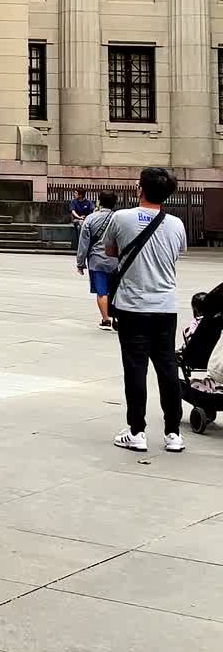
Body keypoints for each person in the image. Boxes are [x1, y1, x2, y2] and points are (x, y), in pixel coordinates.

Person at [106, 166, 187, 454]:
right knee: (167, 368)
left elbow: (110, 252)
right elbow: (177, 253)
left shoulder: (122, 217)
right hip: (165, 306)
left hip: (132, 306)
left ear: (140, 189)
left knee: (135, 368)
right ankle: (173, 432)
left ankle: (137, 431)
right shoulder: (176, 224)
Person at [76, 188, 119, 328]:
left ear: (99, 201)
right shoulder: (119, 218)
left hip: (97, 260)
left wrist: (80, 263)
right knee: (116, 291)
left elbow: (83, 243)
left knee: (102, 292)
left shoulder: (91, 218)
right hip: (116, 261)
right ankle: (117, 319)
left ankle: (106, 319)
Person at [70, 184, 95, 252]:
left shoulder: (88, 203)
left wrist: (86, 218)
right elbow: (73, 211)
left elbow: (92, 211)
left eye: (76, 193)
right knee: (79, 226)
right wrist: (79, 217)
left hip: (86, 220)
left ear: (80, 195)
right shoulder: (74, 202)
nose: (74, 194)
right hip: (77, 220)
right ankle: (80, 245)